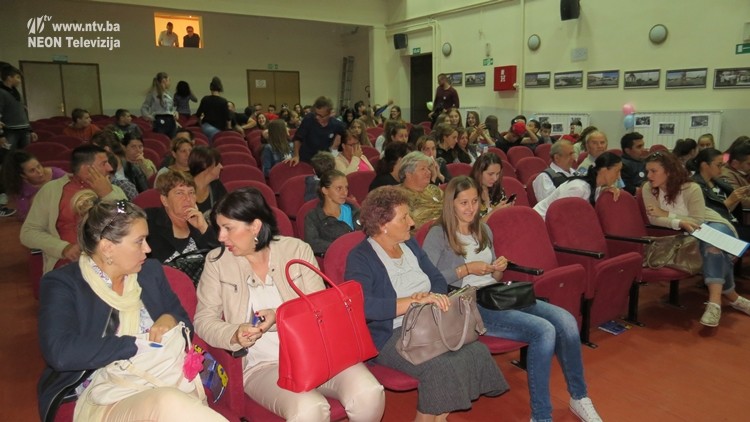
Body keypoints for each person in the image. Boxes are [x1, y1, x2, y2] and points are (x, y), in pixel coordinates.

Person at [194, 187, 385, 421]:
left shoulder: (296, 250)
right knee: (310, 409)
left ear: (255, 226)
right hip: (263, 365)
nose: (221, 237)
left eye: (228, 228)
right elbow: (203, 320)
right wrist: (233, 333)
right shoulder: (217, 263)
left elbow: (320, 309)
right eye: (219, 228)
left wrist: (278, 317)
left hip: (316, 352)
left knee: (370, 393)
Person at [423, 176, 603, 422]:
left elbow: (495, 277)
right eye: (463, 203)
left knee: (567, 321)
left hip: (496, 294)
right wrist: (465, 270)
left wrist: (498, 267)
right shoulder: (438, 234)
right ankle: (541, 416)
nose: (471, 208)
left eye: (474, 201)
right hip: (469, 304)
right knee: (544, 331)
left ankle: (579, 396)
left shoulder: (483, 229)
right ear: (450, 204)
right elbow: (428, 279)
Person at [37, 192, 226, 422]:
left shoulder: (149, 272)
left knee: (171, 403)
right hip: (101, 392)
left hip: (158, 378)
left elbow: (184, 321)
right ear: (107, 247)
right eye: (139, 241)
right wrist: (135, 345)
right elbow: (60, 352)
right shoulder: (64, 284)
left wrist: (169, 318)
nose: (148, 248)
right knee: (168, 402)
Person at [345, 186, 508, 421]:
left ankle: (438, 418)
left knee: (475, 350)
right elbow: (364, 307)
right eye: (404, 218)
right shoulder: (361, 257)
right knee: (439, 366)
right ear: (383, 225)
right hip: (391, 333)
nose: (412, 223)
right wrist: (413, 302)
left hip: (429, 322)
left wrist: (434, 298)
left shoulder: (409, 245)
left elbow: (438, 279)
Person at [642, 151, 750, 327]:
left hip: (713, 223)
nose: (649, 175)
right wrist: (679, 222)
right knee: (715, 250)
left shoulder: (691, 188)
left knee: (712, 244)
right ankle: (731, 298)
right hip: (690, 230)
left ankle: (715, 303)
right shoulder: (648, 188)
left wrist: (667, 214)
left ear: (668, 171)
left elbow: (698, 221)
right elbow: (653, 219)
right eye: (647, 171)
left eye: (653, 171)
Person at [21, 144, 127, 274]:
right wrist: (63, 248)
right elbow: (28, 232)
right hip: (67, 264)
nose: (110, 168)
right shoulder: (51, 190)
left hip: (108, 263)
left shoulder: (114, 191)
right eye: (104, 163)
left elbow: (128, 223)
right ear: (87, 169)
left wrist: (108, 195)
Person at [145, 170, 219, 263]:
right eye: (179, 193)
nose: (187, 198)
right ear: (164, 200)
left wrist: (203, 228)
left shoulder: (199, 222)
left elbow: (219, 257)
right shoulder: (148, 221)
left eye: (191, 192)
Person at [534, 152, 622, 220]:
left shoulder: (596, 187)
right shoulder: (578, 188)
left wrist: (605, 190)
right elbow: (557, 213)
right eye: (617, 171)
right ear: (604, 170)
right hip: (541, 220)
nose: (619, 177)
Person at [689, 148, 750, 241]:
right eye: (719, 165)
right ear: (704, 165)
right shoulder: (695, 187)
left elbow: (728, 210)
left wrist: (736, 199)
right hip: (720, 227)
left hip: (732, 223)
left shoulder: (718, 181)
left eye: (722, 165)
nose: (722, 169)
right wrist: (731, 200)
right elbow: (709, 215)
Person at [304, 170, 362, 255]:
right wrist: (342, 247)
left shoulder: (355, 210)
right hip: (337, 258)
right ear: (325, 190)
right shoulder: (314, 217)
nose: (345, 193)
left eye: (346, 188)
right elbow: (313, 244)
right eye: (339, 188)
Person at [1, 150, 66, 220]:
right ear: (23, 175)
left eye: (39, 166)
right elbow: (26, 216)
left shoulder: (58, 175)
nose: (39, 172)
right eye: (32, 170)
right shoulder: (20, 190)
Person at [290, 96, 346, 165]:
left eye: (321, 116)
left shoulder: (336, 124)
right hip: (305, 158)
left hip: (323, 161)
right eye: (316, 114)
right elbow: (298, 138)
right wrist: (296, 155)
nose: (317, 117)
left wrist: (336, 146)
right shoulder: (309, 119)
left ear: (329, 114)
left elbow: (344, 135)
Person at [398, 151, 444, 229]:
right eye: (423, 169)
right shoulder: (399, 196)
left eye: (428, 168)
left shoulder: (433, 189)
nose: (429, 172)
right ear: (408, 174)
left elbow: (450, 208)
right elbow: (412, 225)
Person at [0, 65, 37, 151]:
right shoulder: (1, 93)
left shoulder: (16, 93)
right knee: (8, 154)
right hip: (9, 133)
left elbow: (23, 113)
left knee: (24, 155)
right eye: (17, 77)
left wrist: (30, 130)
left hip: (24, 131)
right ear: (9, 78)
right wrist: (1, 136)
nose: (20, 81)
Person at [471, 153, 513, 219]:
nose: (495, 178)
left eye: (497, 174)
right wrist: (494, 212)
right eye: (490, 174)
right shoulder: (468, 193)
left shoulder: (498, 190)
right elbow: (471, 225)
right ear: (479, 172)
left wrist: (508, 209)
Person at [188, 146, 226, 215]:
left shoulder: (216, 185)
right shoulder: (183, 188)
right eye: (218, 164)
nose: (221, 167)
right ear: (207, 167)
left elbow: (227, 209)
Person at [141, 72, 178, 138]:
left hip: (170, 119)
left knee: (172, 139)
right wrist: (148, 116)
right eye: (169, 80)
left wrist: (175, 113)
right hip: (159, 119)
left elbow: (170, 108)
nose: (170, 83)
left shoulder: (168, 93)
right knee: (161, 138)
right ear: (164, 81)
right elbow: (144, 107)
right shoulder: (153, 93)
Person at [196, 77, 232, 141]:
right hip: (218, 128)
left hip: (205, 127)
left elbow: (198, 114)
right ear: (220, 88)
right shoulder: (223, 101)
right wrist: (229, 129)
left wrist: (200, 125)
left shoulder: (205, 99)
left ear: (210, 88)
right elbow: (228, 118)